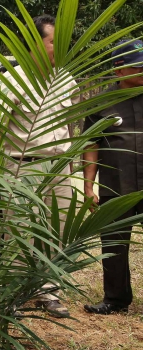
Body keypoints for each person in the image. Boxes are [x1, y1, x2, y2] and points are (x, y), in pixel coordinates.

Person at [0, 14, 80, 318]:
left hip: (59, 168)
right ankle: (14, 294)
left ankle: (49, 291)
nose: (60, 47)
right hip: (23, 166)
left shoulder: (66, 79)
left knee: (54, 230)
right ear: (36, 43)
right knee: (19, 232)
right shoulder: (11, 79)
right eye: (53, 41)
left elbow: (69, 125)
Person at [82, 39, 143, 315]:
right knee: (114, 245)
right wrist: (88, 186)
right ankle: (115, 300)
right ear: (119, 71)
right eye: (138, 66)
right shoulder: (101, 103)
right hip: (115, 186)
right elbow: (91, 145)